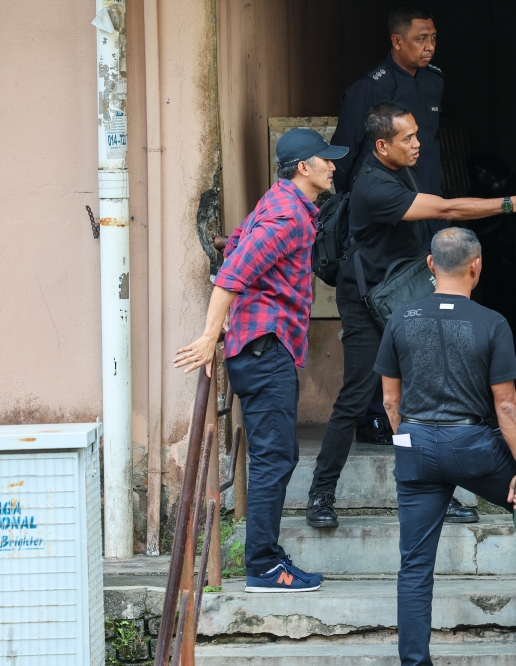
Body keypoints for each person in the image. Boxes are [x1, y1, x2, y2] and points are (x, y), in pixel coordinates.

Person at [306, 101, 516, 530]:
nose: (418, 143)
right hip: (368, 301)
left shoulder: (398, 168)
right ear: (383, 146)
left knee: (429, 393)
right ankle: (320, 493)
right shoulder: (374, 186)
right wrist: (510, 204)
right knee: (355, 395)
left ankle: (441, 491)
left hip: (403, 292)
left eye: (417, 134)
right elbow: (444, 211)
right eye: (408, 138)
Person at [376, 227, 516, 664]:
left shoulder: (400, 318)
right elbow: (506, 404)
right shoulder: (491, 322)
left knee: (414, 564)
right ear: (477, 266)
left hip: (414, 442)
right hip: (471, 444)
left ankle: (414, 661)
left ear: (430, 265)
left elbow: (390, 400)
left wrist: (406, 441)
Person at [174, 128, 348, 591]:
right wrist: (211, 334)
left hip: (260, 346)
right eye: (325, 159)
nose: (333, 165)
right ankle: (264, 566)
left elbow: (233, 248)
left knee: (278, 455)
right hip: (265, 349)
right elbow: (233, 271)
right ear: (303, 168)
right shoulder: (287, 216)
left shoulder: (277, 201)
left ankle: (265, 558)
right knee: (274, 458)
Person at [330, 5, 445, 447]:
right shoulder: (367, 90)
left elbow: (429, 151)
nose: (429, 46)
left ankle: (417, 414)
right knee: (381, 310)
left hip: (424, 212)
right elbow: (342, 161)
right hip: (381, 218)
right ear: (397, 41)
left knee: (421, 309)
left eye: (433, 37)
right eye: (420, 38)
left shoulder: (435, 80)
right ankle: (374, 416)